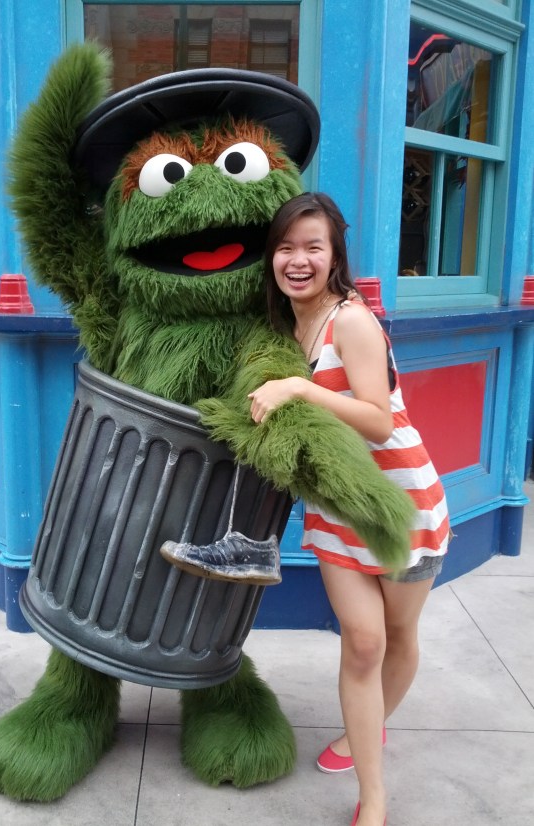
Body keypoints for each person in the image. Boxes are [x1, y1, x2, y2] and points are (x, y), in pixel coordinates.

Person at [247, 192, 450, 826]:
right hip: (336, 508)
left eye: (313, 246)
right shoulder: (285, 324)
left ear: (334, 255)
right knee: (362, 644)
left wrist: (298, 386)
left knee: (398, 637)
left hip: (402, 505)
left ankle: (371, 726)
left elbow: (380, 421)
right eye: (285, 247)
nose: (297, 260)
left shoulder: (351, 321)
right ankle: (375, 797)